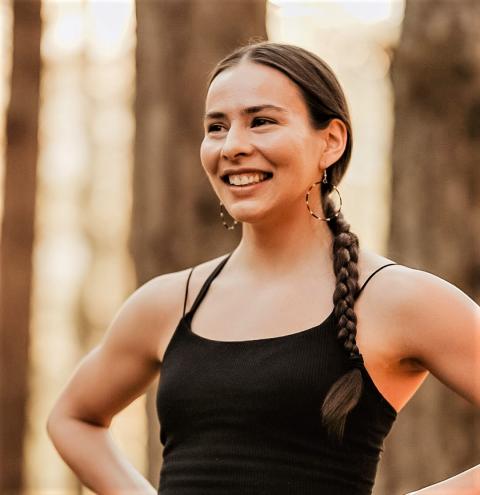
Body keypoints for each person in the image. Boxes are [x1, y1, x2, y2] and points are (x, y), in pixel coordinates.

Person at [47, 41, 480, 495]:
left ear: (330, 141)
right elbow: (73, 418)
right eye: (217, 127)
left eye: (262, 121)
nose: (233, 146)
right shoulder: (169, 302)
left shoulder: (397, 299)